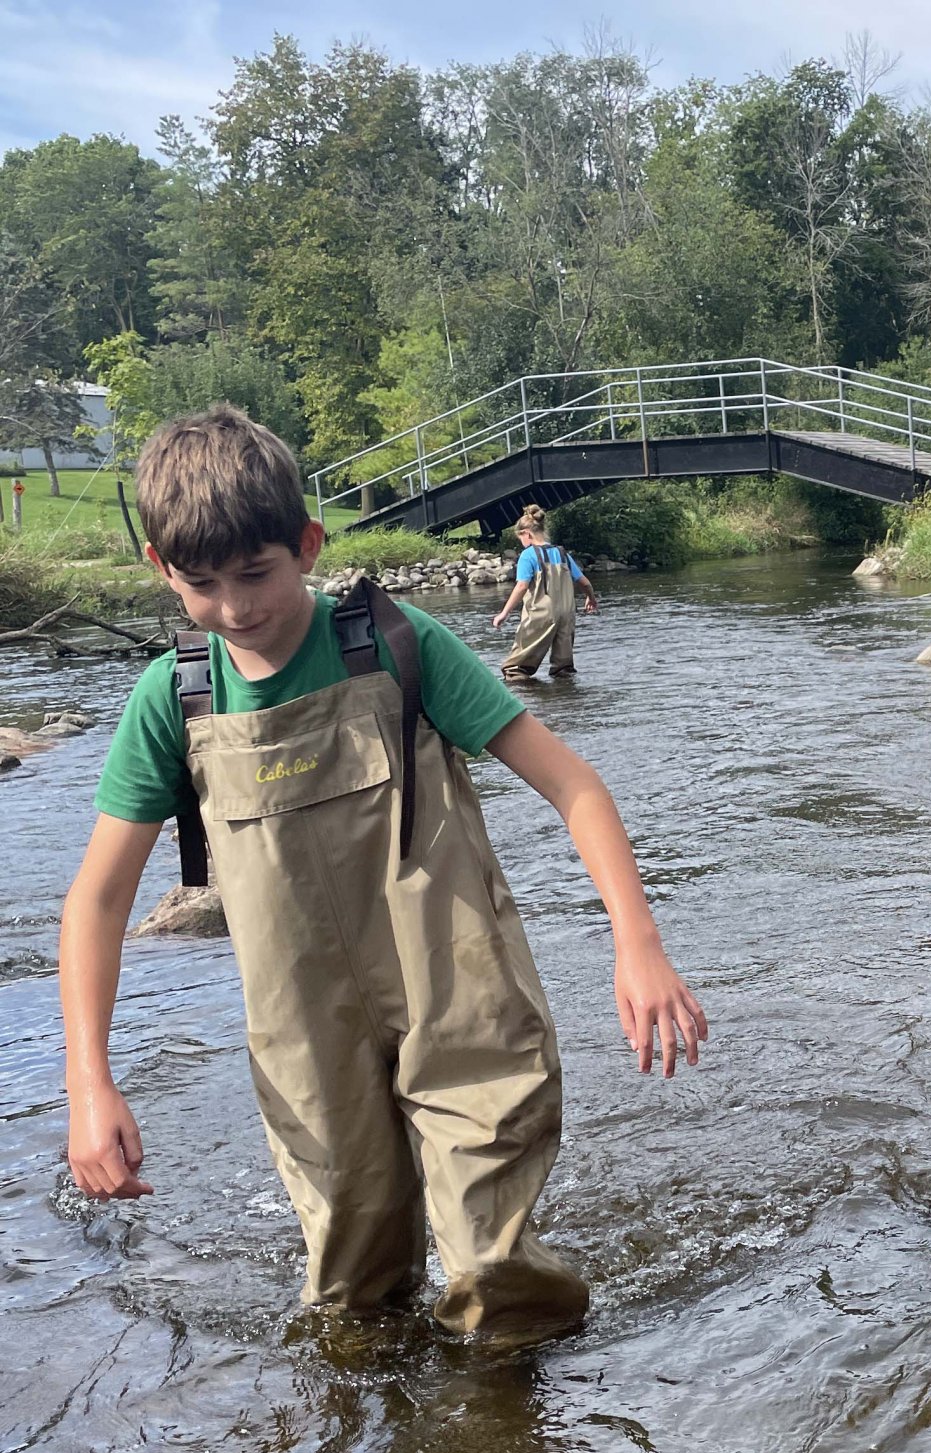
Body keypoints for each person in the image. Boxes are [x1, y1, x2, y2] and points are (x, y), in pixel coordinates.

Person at [61, 405, 706, 1344]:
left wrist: (638, 946)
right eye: (202, 583)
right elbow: (98, 899)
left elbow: (574, 787)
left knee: (496, 1274)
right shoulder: (174, 700)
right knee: (352, 1303)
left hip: (457, 993)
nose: (236, 607)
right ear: (161, 568)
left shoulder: (398, 645)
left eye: (257, 573)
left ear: (308, 546)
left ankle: (507, 1445)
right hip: (304, 1029)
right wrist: (90, 1082)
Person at [492, 504, 597, 679]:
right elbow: (585, 583)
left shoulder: (528, 555)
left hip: (541, 613)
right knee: (563, 668)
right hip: (566, 613)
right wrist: (590, 599)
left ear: (527, 533)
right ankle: (565, 698)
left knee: (516, 668)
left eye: (520, 538)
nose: (521, 542)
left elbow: (521, 586)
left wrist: (504, 613)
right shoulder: (562, 553)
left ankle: (524, 698)